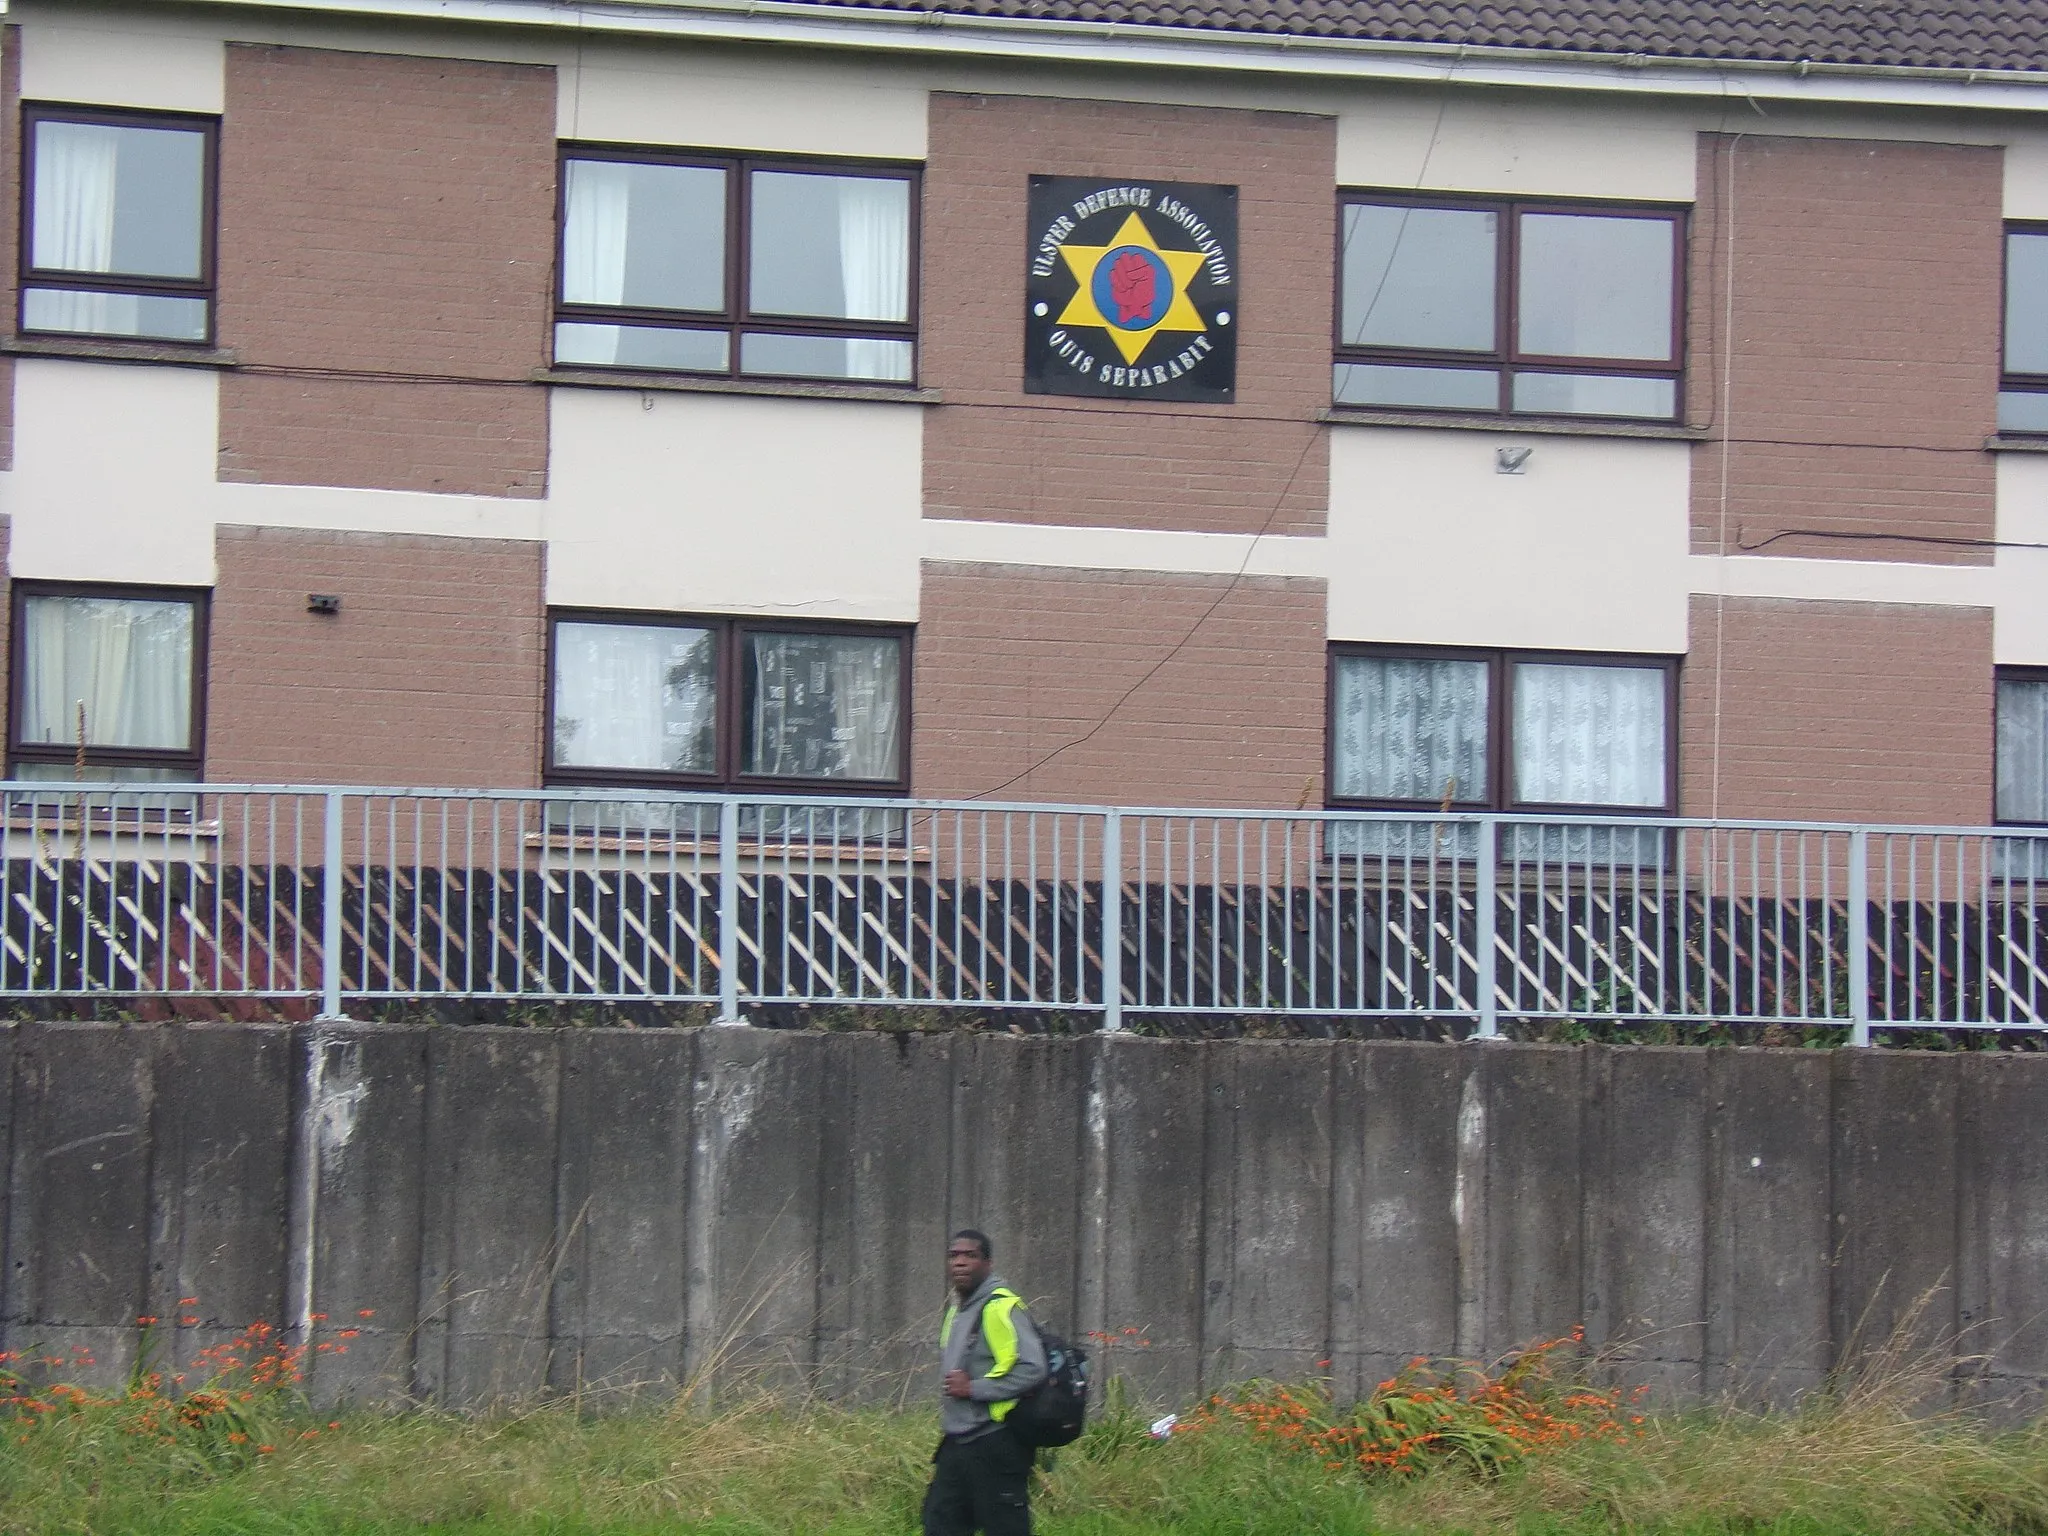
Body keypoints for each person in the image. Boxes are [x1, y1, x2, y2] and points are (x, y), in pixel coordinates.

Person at [923, 1229, 1048, 1536]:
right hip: (957, 1443)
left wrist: (974, 1389)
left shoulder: (1001, 1306)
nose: (960, 1263)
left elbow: (1033, 1368)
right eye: (954, 1256)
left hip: (995, 1440)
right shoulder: (957, 1310)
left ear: (988, 1263)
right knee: (939, 1524)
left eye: (970, 1255)